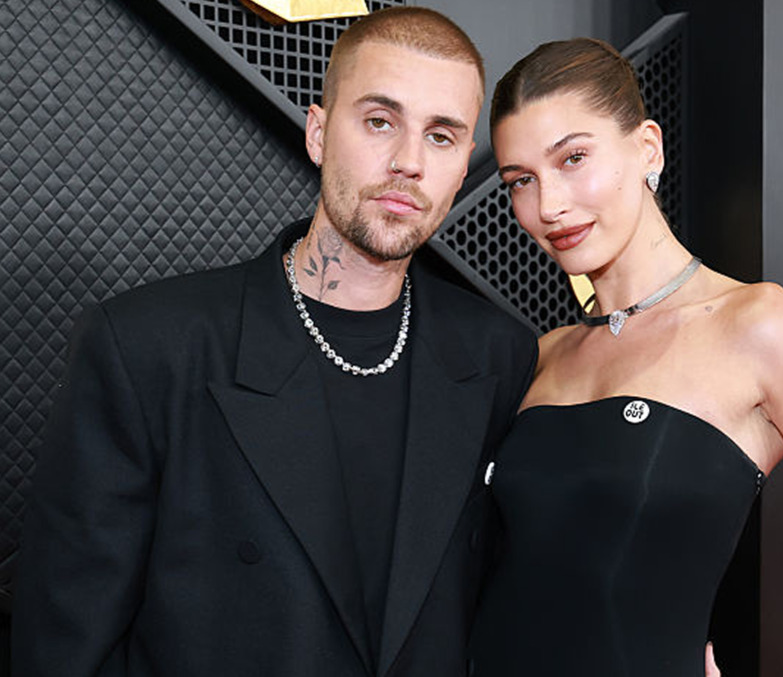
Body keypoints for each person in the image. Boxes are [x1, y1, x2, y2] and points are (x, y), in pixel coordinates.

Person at [12, 7, 536, 677]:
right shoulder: (148, 345)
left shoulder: (500, 353)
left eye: (441, 136)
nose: (408, 162)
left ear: (466, 163)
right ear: (318, 132)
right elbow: (64, 645)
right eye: (380, 121)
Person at [467, 37, 783, 676]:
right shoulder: (541, 356)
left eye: (573, 159)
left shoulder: (759, 328)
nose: (549, 206)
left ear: (648, 147)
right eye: (521, 182)